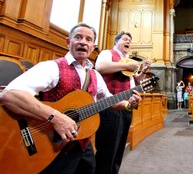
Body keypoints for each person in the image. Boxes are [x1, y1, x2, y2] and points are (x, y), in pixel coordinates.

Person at [0, 23, 141, 174]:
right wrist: (55, 118)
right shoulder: (51, 67)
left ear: (93, 47)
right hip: (50, 144)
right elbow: (10, 94)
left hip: (82, 144)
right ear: (68, 42)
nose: (83, 42)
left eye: (88, 39)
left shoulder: (95, 75)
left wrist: (127, 104)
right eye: (78, 37)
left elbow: (107, 99)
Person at [94, 31, 151, 174]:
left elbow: (134, 81)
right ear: (116, 41)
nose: (128, 42)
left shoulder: (127, 60)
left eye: (130, 41)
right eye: (125, 39)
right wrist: (126, 66)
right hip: (110, 107)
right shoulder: (108, 53)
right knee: (108, 150)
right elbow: (100, 67)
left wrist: (142, 72)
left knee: (119, 149)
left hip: (127, 107)